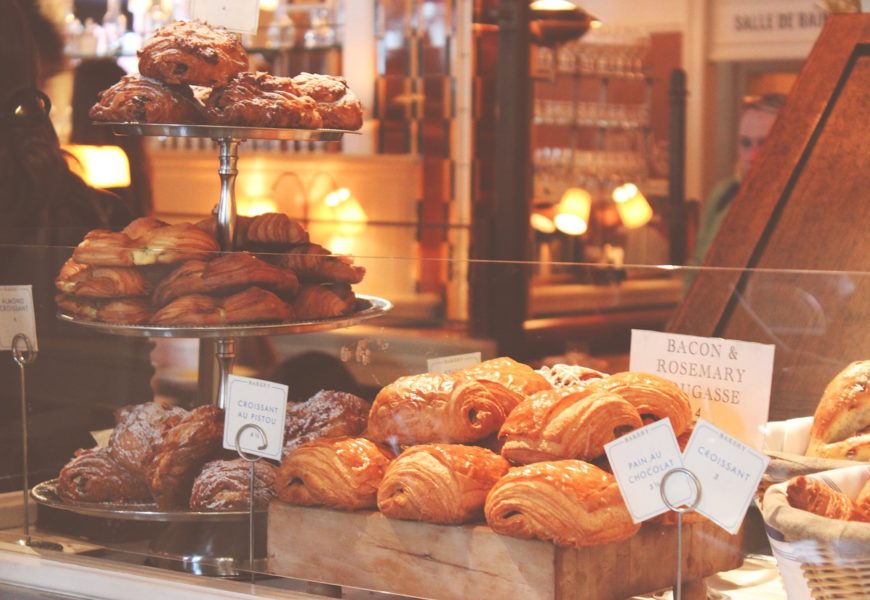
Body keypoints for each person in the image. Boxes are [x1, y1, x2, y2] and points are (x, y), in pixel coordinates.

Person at [0, 0, 153, 493]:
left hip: (46, 448)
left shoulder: (83, 211)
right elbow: (125, 379)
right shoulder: (92, 213)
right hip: (63, 450)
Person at [692, 93, 787, 267]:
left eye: (764, 143)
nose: (752, 156)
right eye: (745, 143)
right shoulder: (723, 194)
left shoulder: (800, 201)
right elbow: (697, 266)